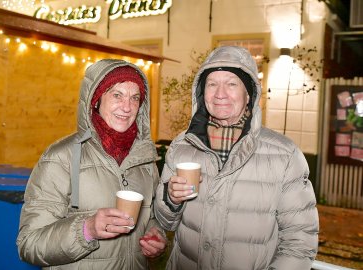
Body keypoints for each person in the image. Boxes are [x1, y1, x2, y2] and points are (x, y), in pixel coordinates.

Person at [154, 46, 319, 270]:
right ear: (202, 93)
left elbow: (300, 241)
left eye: (231, 84)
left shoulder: (284, 155)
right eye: (212, 84)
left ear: (249, 93)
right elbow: (165, 222)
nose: (220, 93)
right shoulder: (182, 146)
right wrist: (171, 199)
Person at [17, 59, 167, 269]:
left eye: (135, 98)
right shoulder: (61, 157)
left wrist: (154, 235)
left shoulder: (144, 159)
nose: (127, 107)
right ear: (96, 99)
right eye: (117, 95)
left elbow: (148, 217)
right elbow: (29, 244)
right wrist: (86, 229)